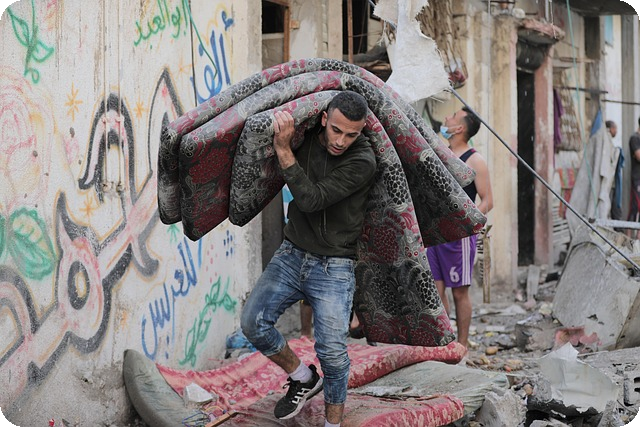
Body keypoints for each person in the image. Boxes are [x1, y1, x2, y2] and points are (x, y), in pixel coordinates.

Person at [241, 90, 376, 427]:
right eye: (336, 130)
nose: (341, 141)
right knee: (253, 322)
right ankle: (302, 377)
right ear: (323, 118)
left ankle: (332, 424)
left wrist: (284, 150)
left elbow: (312, 200)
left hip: (335, 266)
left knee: (332, 353)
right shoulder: (305, 136)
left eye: (351, 135)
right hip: (292, 253)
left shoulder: (363, 160)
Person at [426, 107, 493, 349]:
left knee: (459, 293)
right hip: (434, 234)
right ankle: (445, 345)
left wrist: (465, 222)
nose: (447, 117)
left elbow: (488, 201)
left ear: (460, 128)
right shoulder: (440, 153)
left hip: (459, 237)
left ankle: (462, 346)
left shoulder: (475, 160)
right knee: (436, 292)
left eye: (452, 116)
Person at [627, 116, 640, 238]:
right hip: (637, 179)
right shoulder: (635, 138)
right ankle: (628, 236)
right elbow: (639, 156)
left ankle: (638, 237)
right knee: (635, 207)